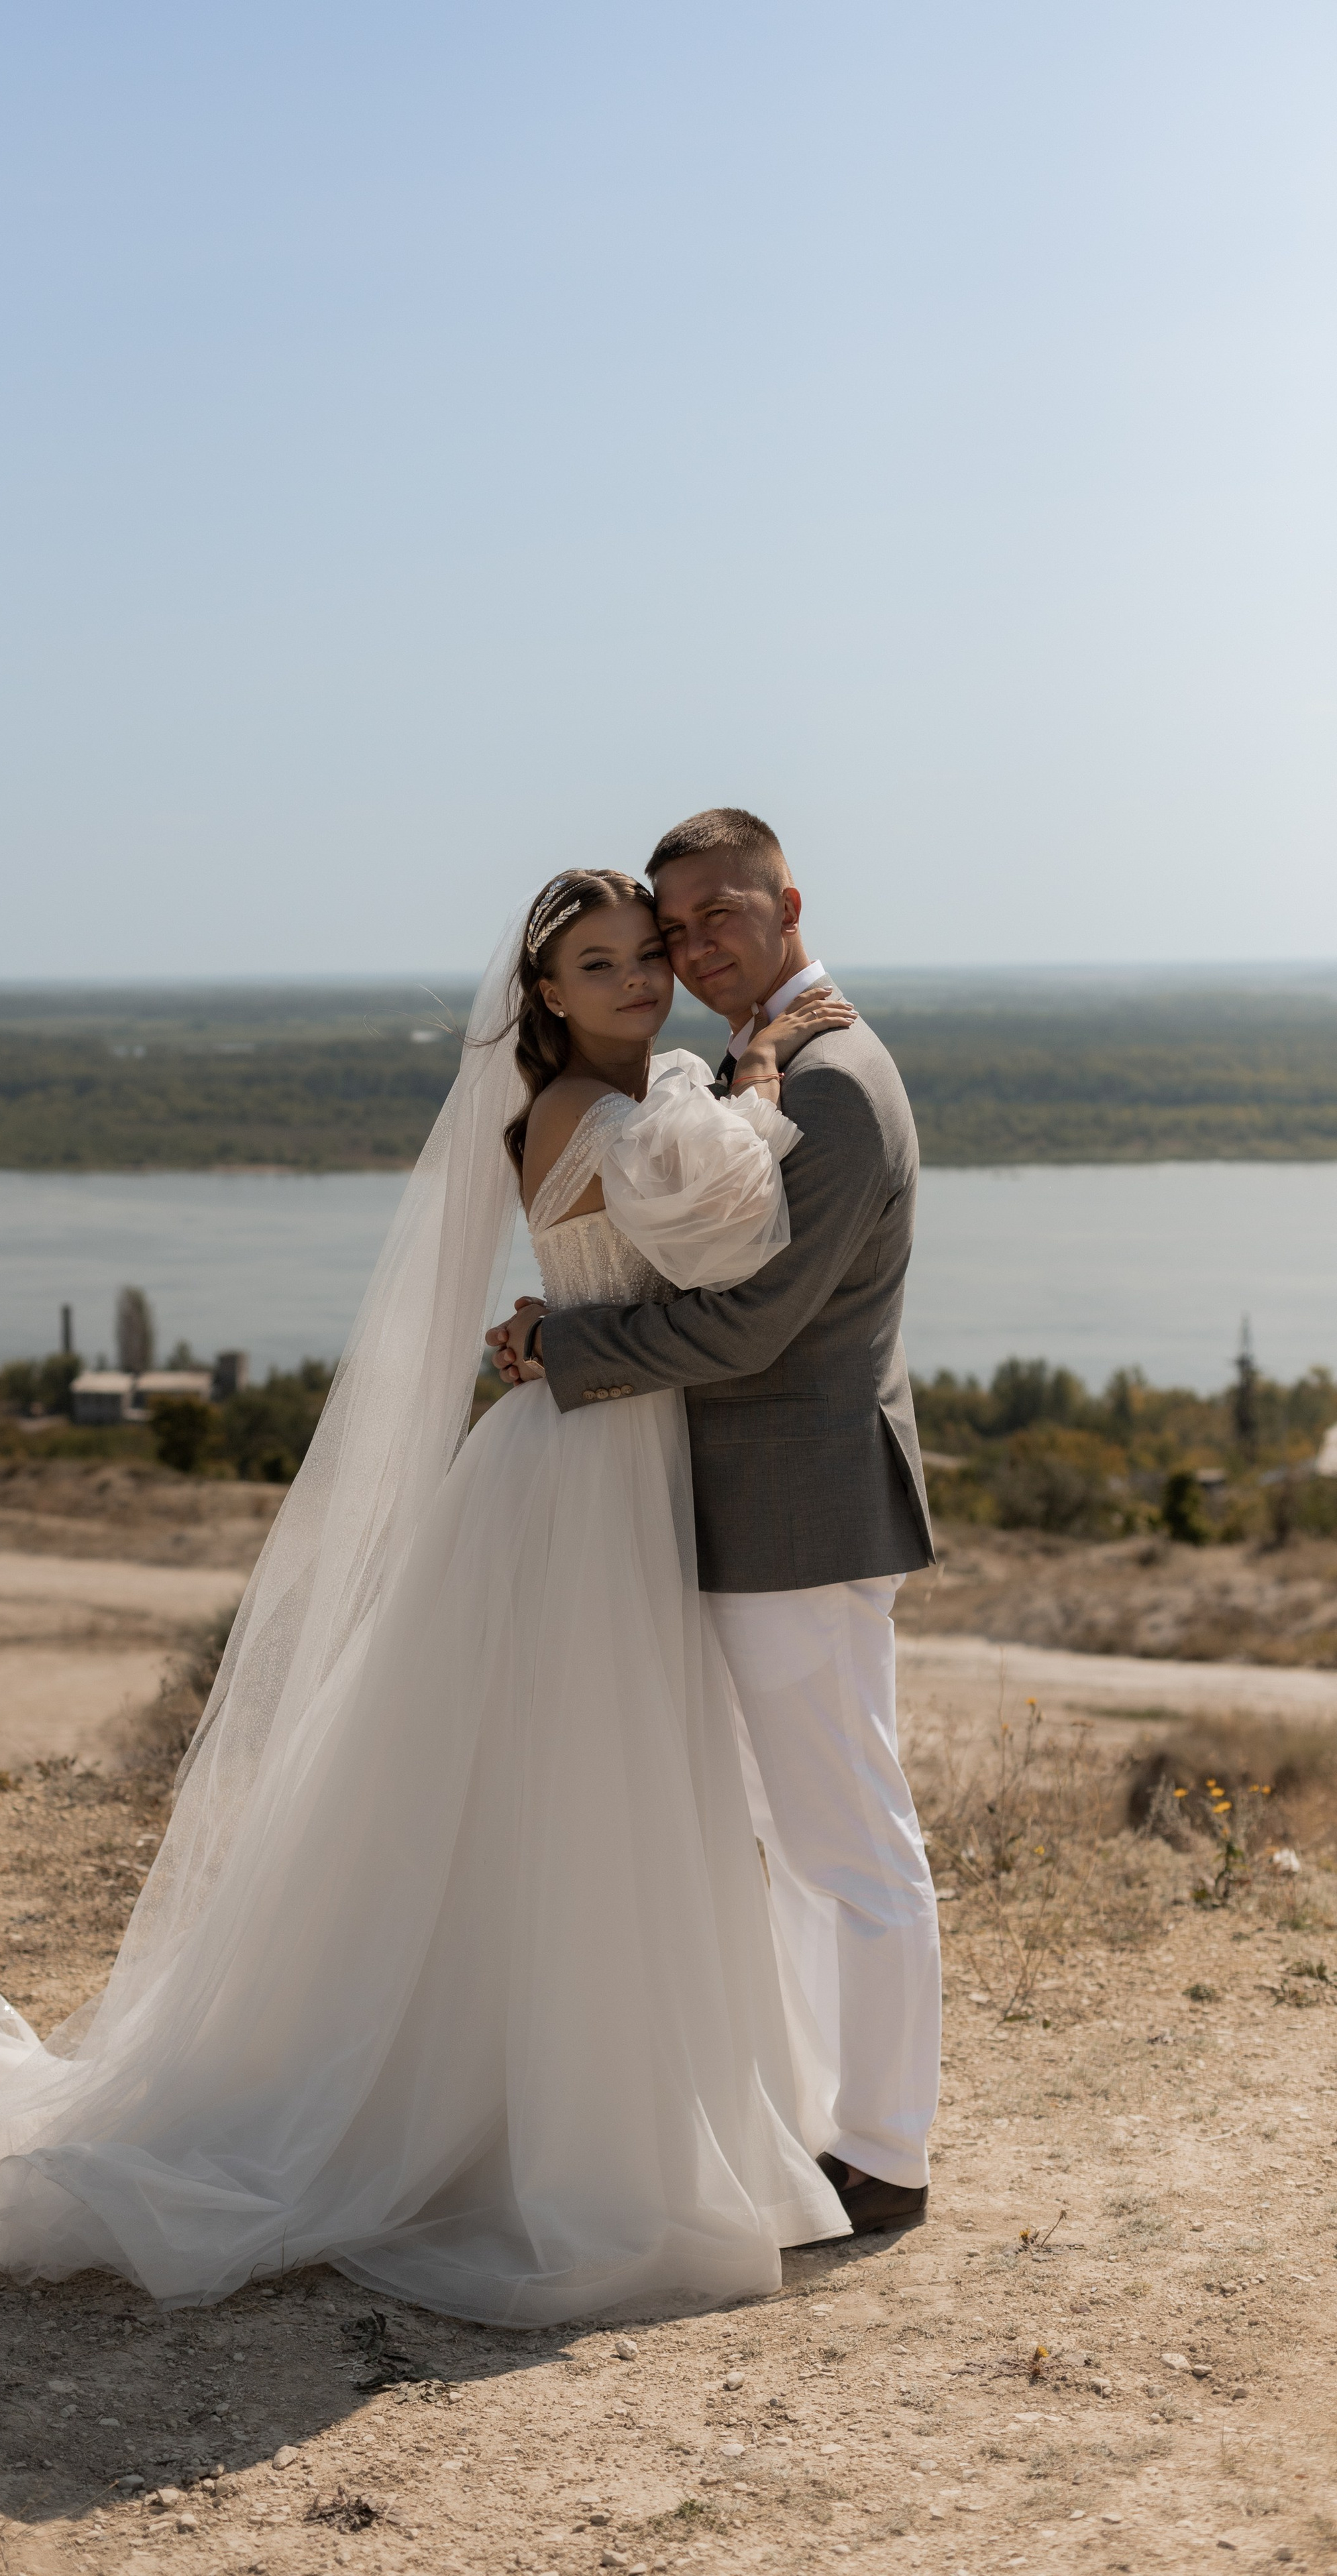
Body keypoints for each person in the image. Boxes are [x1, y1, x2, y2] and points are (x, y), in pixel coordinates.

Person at [0, 869, 858, 2325]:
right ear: (547, 996)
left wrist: (662, 1159)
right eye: (600, 962)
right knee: (574, 1778)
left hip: (610, 1448)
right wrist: (762, 1059)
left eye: (649, 953)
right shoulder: (587, 1111)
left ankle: (573, 2083)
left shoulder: (630, 1100)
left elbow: (670, 1251)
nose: (639, 979)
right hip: (577, 1473)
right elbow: (731, 1230)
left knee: (592, 1779)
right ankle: (536, 2122)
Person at [489, 809, 940, 2235]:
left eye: (715, 916)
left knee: (845, 1840)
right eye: (671, 930)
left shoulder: (836, 1081)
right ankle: (810, 2120)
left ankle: (881, 2152)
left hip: (800, 1509)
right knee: (780, 1837)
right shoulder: (767, 1069)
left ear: (786, 902)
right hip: (730, 1508)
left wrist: (564, 1346)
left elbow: (747, 1325)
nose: (692, 948)